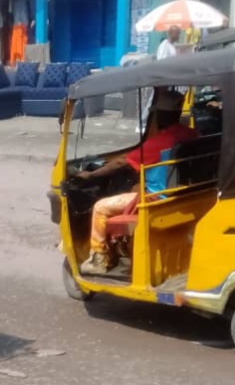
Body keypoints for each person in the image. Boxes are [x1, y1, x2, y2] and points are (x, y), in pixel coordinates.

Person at [75, 91, 198, 275]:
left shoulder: (161, 141)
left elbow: (121, 162)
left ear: (160, 115)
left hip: (157, 198)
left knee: (100, 207)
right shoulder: (191, 134)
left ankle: (99, 259)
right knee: (133, 188)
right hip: (182, 192)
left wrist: (91, 176)